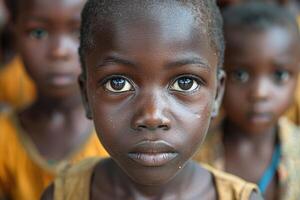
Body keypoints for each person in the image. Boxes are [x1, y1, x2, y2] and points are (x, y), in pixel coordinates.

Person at [41, 0, 262, 199]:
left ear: (216, 94)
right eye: (118, 83)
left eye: (185, 83)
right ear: (86, 96)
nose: (152, 116)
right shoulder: (62, 194)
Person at [0, 0, 108, 199]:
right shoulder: (4, 139)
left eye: (78, 33)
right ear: (14, 32)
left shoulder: (120, 133)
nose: (59, 51)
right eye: (38, 33)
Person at [194, 2, 300, 200]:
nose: (259, 93)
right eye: (240, 75)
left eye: (279, 75)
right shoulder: (193, 156)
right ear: (217, 78)